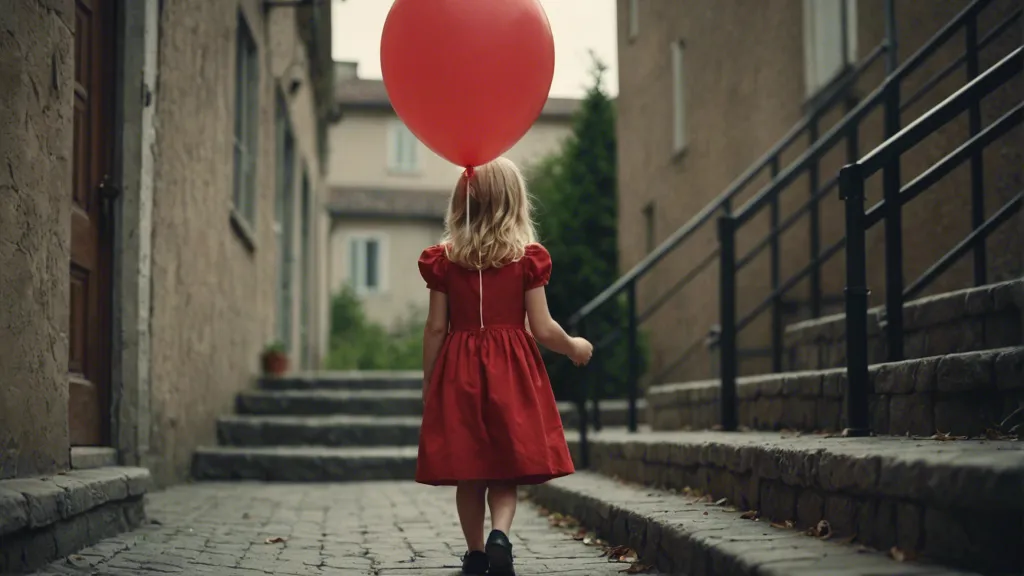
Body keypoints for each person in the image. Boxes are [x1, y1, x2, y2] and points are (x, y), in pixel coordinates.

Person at [416, 157, 594, 576]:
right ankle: (500, 535)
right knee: (503, 466)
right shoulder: (527, 258)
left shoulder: (444, 260)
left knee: (468, 470)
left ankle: (476, 555)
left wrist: (430, 382)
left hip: (459, 368)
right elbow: (544, 328)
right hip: (511, 369)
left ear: (462, 203)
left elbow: (436, 328)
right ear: (514, 202)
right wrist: (574, 347)